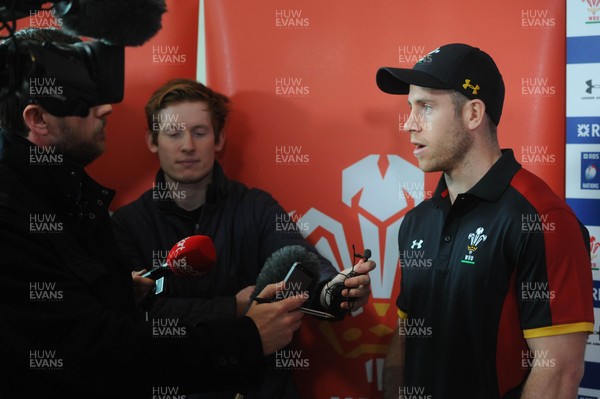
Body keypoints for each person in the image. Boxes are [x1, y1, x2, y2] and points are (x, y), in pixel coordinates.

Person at [0, 27, 308, 399]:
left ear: (219, 139)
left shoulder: (82, 203)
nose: (107, 108)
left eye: (200, 132)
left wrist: (116, 294)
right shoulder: (21, 215)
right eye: (84, 97)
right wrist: (244, 331)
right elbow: (101, 351)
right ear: (38, 119)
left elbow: (304, 266)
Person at [110, 78, 376, 398]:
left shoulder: (256, 207)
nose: (187, 146)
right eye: (173, 133)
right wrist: (233, 308)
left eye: (199, 132)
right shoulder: (125, 224)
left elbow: (297, 256)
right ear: (152, 141)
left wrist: (336, 288)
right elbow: (130, 317)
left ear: (219, 138)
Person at [376, 43, 594, 398]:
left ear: (473, 114)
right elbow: (405, 337)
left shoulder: (542, 218)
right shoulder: (416, 221)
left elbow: (559, 374)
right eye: (409, 108)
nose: (409, 124)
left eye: (426, 107)